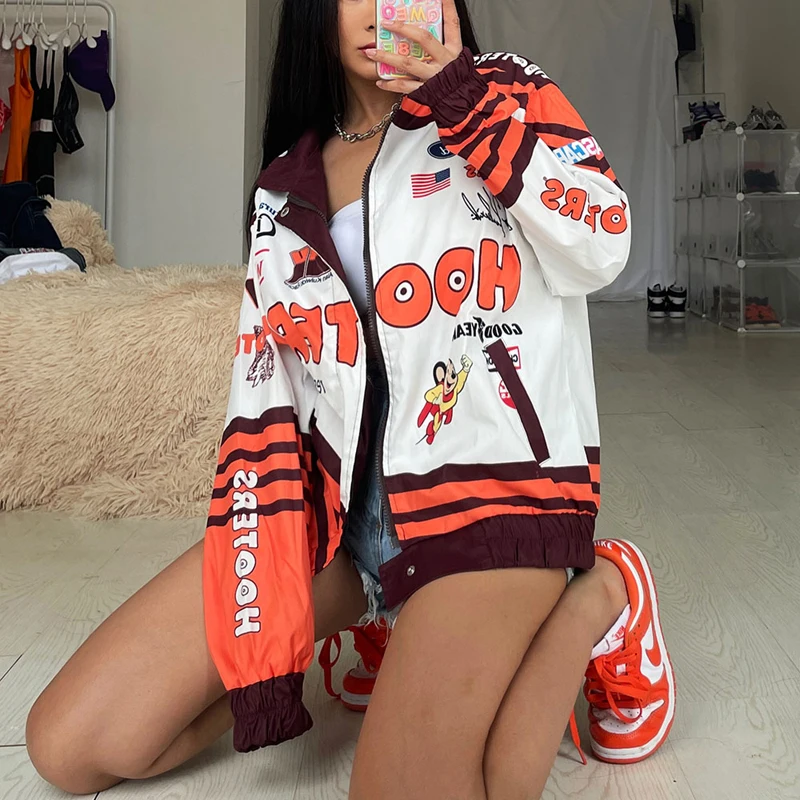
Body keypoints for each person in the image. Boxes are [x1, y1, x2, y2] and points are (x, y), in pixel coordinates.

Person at [25, 1, 676, 797]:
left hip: (492, 498)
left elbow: (604, 245)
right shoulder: (285, 184)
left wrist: (461, 99)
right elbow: (269, 384)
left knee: (488, 779)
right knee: (73, 744)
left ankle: (604, 595)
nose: (384, 7)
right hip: (341, 528)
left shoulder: (508, 93)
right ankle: (382, 619)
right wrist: (263, 578)